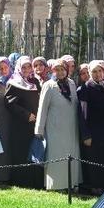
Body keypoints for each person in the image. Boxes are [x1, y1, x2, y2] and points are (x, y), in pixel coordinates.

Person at [35, 59, 81, 190]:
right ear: (52, 71)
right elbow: (42, 108)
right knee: (56, 157)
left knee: (71, 156)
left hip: (71, 128)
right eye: (57, 69)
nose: (60, 72)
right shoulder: (48, 85)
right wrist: (39, 129)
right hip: (54, 128)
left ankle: (71, 184)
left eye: (62, 69)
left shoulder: (72, 83)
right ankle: (55, 185)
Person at [78, 59, 104, 194]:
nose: (97, 74)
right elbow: (82, 114)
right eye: (94, 71)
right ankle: (95, 187)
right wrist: (86, 135)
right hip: (93, 132)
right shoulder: (86, 88)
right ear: (89, 73)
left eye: (100, 71)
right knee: (95, 159)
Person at [4, 56, 43, 188]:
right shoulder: (13, 82)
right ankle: (22, 182)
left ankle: (35, 182)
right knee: (21, 153)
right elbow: (9, 103)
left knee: (34, 153)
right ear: (19, 67)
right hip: (20, 126)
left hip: (34, 125)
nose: (26, 69)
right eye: (24, 67)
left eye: (28, 66)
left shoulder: (35, 82)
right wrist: (26, 115)